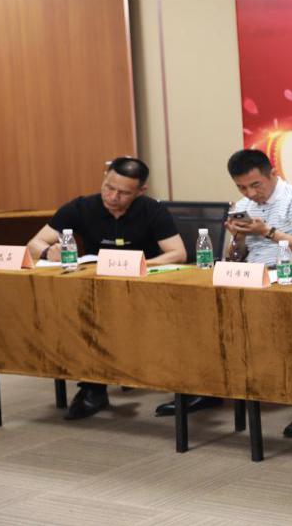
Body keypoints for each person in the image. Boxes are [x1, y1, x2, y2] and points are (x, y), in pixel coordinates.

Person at [153, 149, 292, 438]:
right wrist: (239, 237)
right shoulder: (245, 206)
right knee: (199, 313)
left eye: (256, 185)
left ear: (273, 174)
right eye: (242, 187)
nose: (250, 193)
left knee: (290, 332)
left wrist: (267, 231)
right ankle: (206, 388)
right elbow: (238, 256)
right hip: (254, 274)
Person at [26, 156, 186, 420]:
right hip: (96, 288)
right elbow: (35, 243)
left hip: (141, 287)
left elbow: (177, 253)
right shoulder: (81, 207)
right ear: (104, 178)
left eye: (123, 193)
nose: (112, 197)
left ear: (140, 191)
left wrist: (136, 264)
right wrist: (47, 251)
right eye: (108, 187)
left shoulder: (152, 210)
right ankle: (93, 387)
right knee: (77, 315)